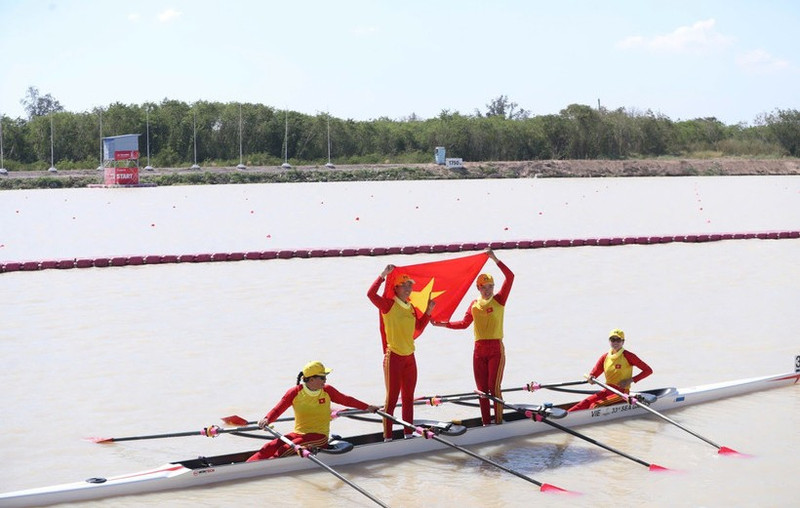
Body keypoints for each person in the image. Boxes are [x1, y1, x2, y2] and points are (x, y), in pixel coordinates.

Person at [432, 249, 514, 425]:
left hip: (495, 349)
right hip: (479, 350)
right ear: (478, 288)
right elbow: (463, 324)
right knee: (482, 390)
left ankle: (498, 422)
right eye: (483, 287)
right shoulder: (474, 305)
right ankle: (486, 423)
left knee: (494, 387)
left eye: (490, 286)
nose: (487, 290)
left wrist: (495, 259)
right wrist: (443, 324)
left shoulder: (499, 299)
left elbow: (511, 277)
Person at [246, 361, 378, 461]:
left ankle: (266, 467)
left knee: (287, 448)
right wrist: (267, 419)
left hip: (319, 437)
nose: (325, 380)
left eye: (325, 376)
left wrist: (368, 407)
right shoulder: (295, 392)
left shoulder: (327, 390)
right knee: (269, 446)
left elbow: (347, 400)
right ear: (311, 379)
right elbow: (278, 409)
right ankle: (248, 466)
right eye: (322, 377)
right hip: (298, 433)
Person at [367, 264, 435, 441]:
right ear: (395, 288)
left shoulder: (411, 308)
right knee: (391, 400)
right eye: (404, 286)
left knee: (408, 399)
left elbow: (418, 327)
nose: (408, 289)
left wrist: (428, 311)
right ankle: (388, 438)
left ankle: (408, 434)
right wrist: (383, 275)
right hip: (394, 358)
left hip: (410, 358)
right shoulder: (388, 305)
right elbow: (370, 295)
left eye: (410, 286)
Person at [568, 329, 653, 412]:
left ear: (623, 342)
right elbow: (594, 374)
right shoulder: (605, 357)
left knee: (595, 405)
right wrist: (591, 378)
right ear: (609, 341)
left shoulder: (629, 356)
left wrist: (630, 380)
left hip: (621, 393)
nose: (615, 342)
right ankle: (565, 416)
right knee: (584, 403)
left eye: (618, 340)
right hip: (607, 390)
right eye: (613, 340)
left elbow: (648, 370)